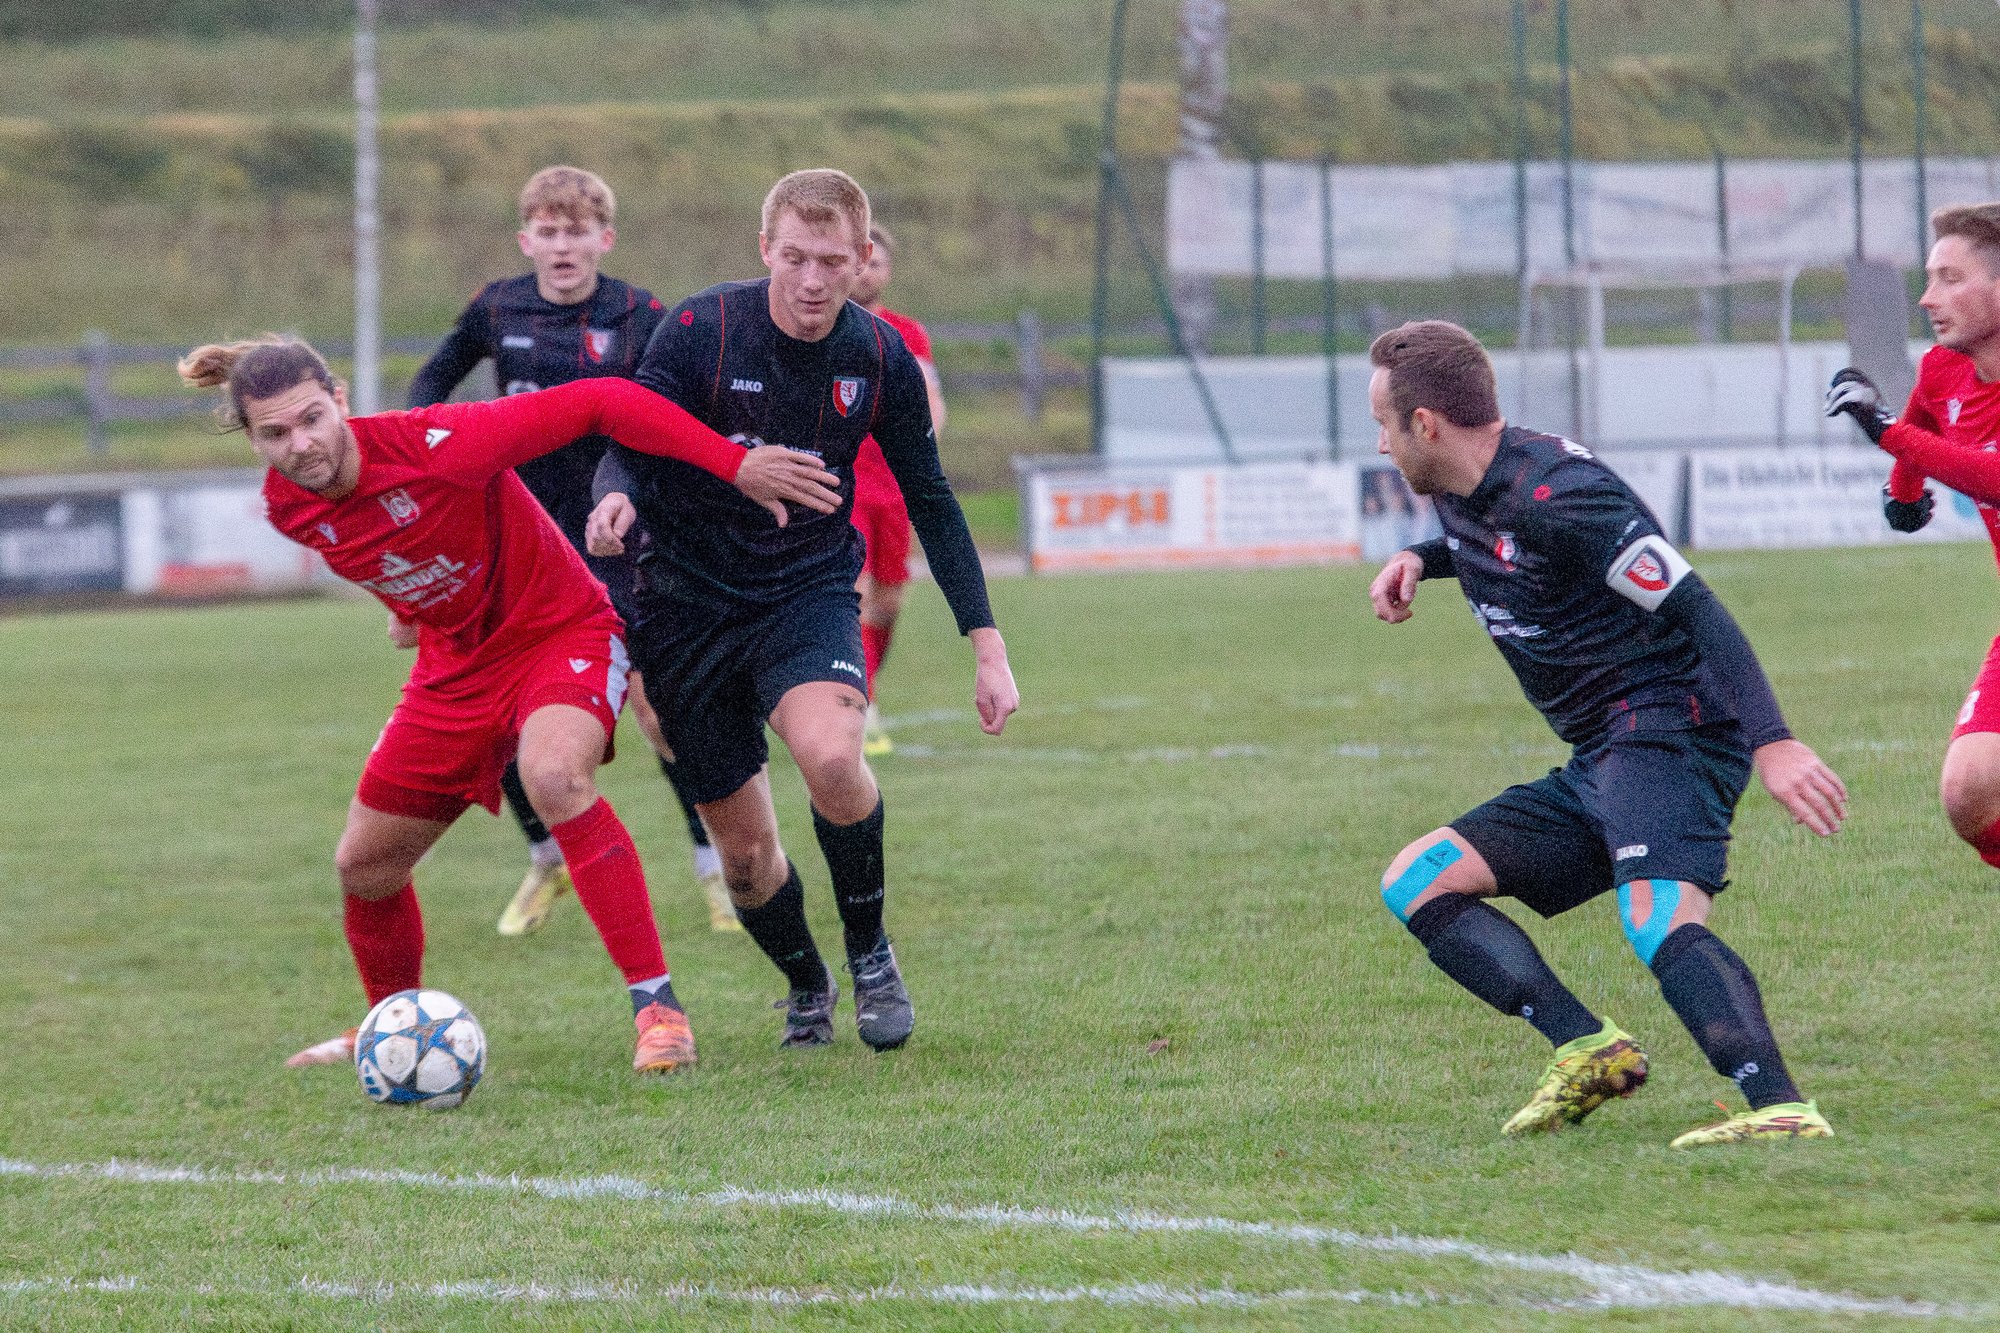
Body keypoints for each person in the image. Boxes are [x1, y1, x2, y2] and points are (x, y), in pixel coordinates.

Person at [175, 335, 839, 1074]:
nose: (301, 444)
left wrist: (733, 462)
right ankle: (391, 1029)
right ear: (253, 439)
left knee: (552, 775)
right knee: (364, 865)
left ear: (340, 401)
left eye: (311, 419)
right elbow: (382, 548)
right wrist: (407, 609)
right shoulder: (286, 506)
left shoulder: (439, 443)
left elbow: (602, 401)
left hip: (562, 632)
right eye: (275, 433)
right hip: (455, 670)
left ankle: (658, 1012)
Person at [1365, 320, 1846, 1148]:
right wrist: (1422, 558)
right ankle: (1587, 1048)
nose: (1379, 443)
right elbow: (1495, 540)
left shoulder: (1565, 495)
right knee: (1419, 880)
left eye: (1383, 424)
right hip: (1601, 754)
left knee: (1654, 915)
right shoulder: (1461, 484)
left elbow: (1698, 607)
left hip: (1672, 729)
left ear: (1426, 423)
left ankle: (1781, 1108)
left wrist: (1775, 740)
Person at [587, 168, 1019, 1052]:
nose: (813, 280)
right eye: (795, 258)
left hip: (805, 592)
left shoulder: (878, 356)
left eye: (832, 261)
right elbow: (628, 434)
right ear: (765, 251)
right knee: (745, 858)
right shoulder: (704, 329)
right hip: (684, 608)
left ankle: (870, 954)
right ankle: (806, 983)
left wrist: (987, 643)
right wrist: (614, 495)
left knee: (830, 755)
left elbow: (932, 499)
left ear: (863, 259)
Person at [408, 165, 740, 937]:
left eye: (577, 231)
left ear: (605, 238)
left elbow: (673, 414)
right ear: (526, 240)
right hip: (518, 546)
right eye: (548, 232)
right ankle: (548, 857)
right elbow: (428, 386)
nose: (563, 246)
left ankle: (716, 867)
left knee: (660, 711)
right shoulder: (497, 308)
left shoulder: (641, 315)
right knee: (499, 713)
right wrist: (436, 462)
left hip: (623, 542)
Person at [1829, 202, 2000, 871]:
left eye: (1950, 279)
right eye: (1929, 278)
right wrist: (1902, 497)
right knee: (1970, 793)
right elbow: (1923, 424)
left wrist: (1883, 430)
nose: (1928, 298)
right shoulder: (1942, 369)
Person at [844, 222, 949, 756]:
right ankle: (861, 709)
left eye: (877, 263)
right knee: (856, 593)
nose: (867, 272)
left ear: (887, 272)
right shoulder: (826, 325)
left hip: (894, 485)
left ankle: (863, 688)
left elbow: (931, 400)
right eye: (860, 262)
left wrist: (924, 453)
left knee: (888, 601)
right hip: (845, 482)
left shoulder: (909, 333)